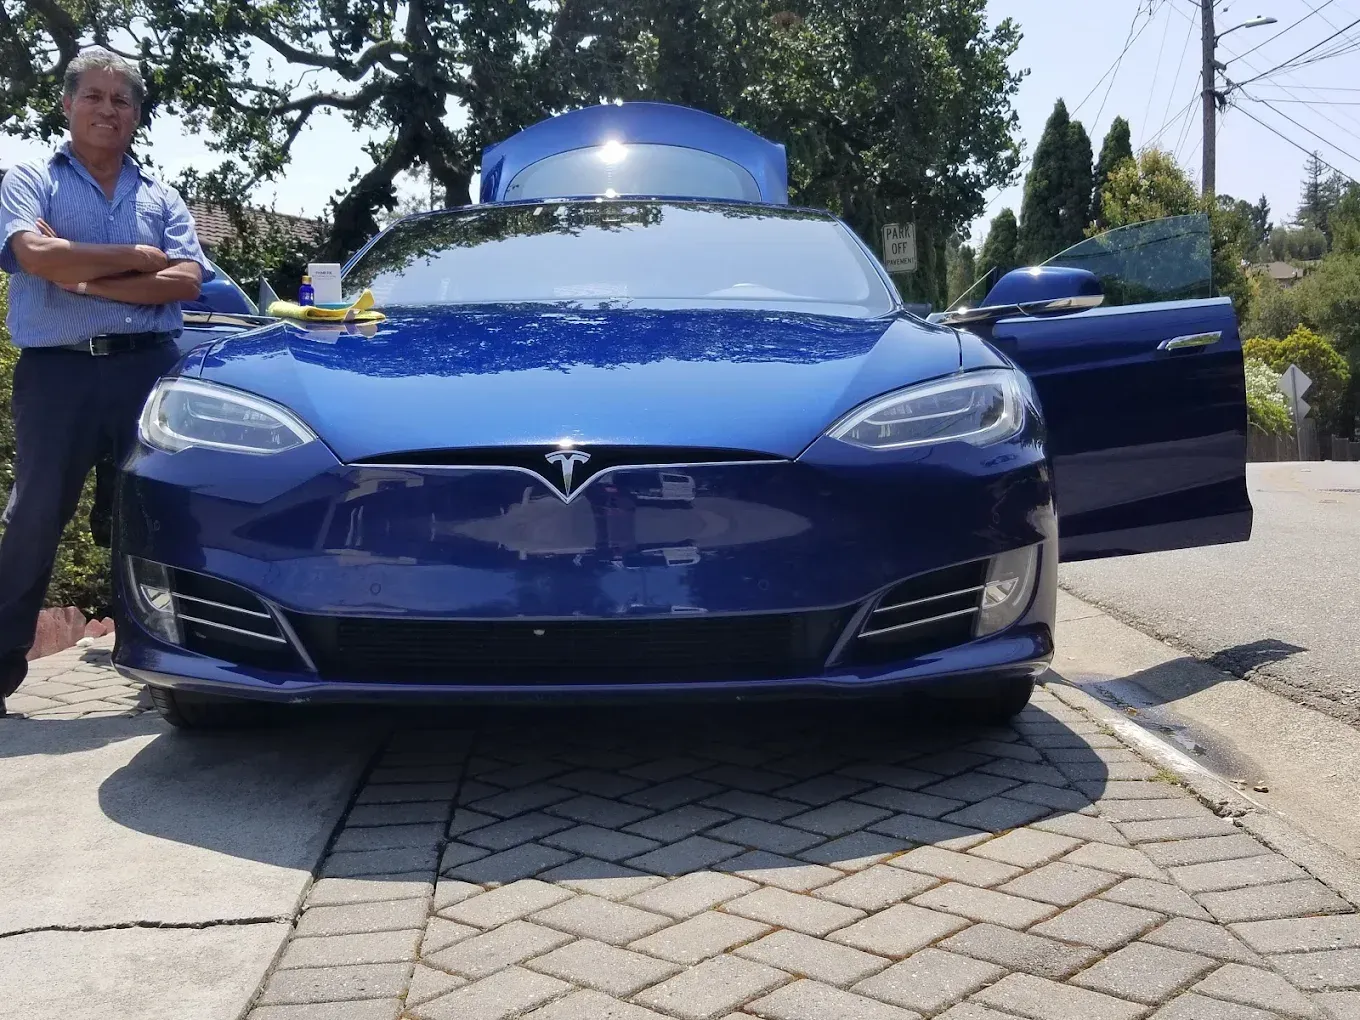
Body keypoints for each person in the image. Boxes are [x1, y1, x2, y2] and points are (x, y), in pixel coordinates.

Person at [0, 46, 212, 716]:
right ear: (67, 105)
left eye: (121, 100)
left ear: (136, 114)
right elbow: (32, 254)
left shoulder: (162, 195)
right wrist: (131, 260)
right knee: (35, 517)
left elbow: (186, 278)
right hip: (55, 374)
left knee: (149, 516)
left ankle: (161, 665)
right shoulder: (30, 179)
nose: (107, 110)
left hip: (146, 371)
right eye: (93, 96)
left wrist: (78, 271)